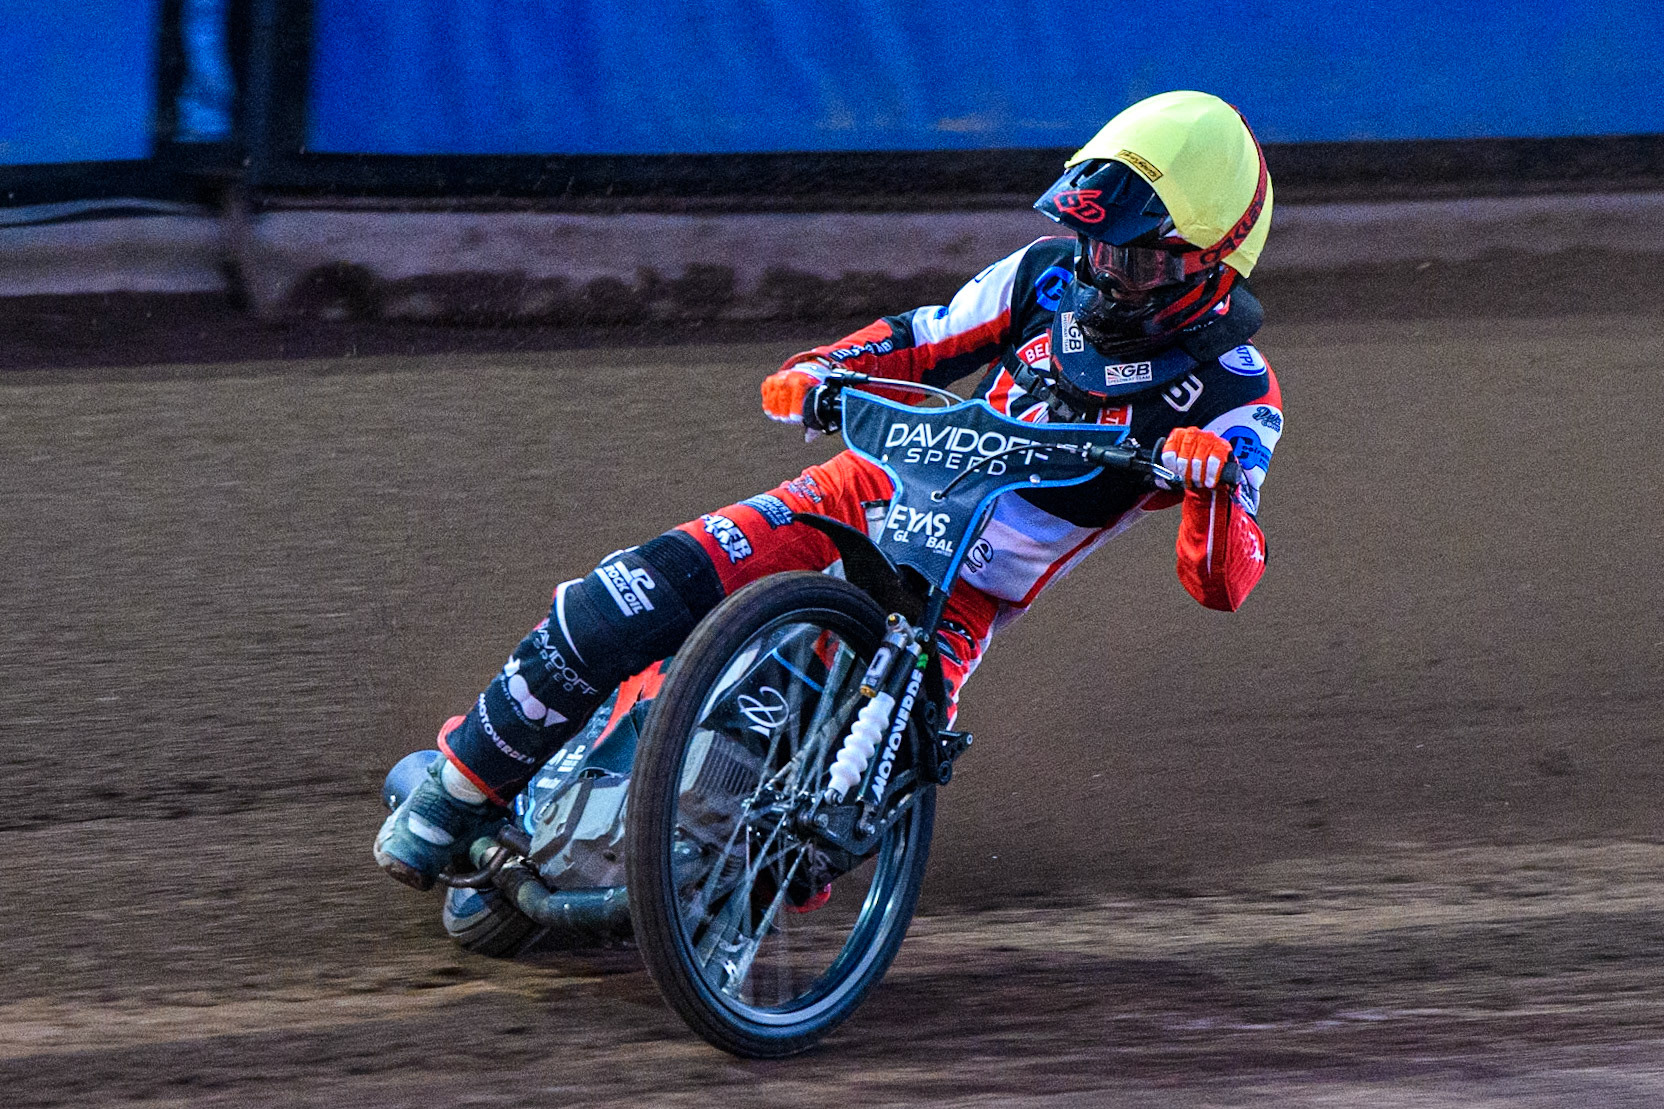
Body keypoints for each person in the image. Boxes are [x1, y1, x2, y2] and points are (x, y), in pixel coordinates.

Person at [374, 89, 1285, 892]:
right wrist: (821, 368)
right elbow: (923, 338)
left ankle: (696, 892)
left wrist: (1210, 485)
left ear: (1214, 261)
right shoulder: (1044, 276)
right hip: (858, 492)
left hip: (957, 597)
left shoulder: (1238, 396)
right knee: (625, 594)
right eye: (1095, 242)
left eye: (1136, 258)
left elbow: (1225, 580)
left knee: (826, 825)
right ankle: (454, 796)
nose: (1103, 271)